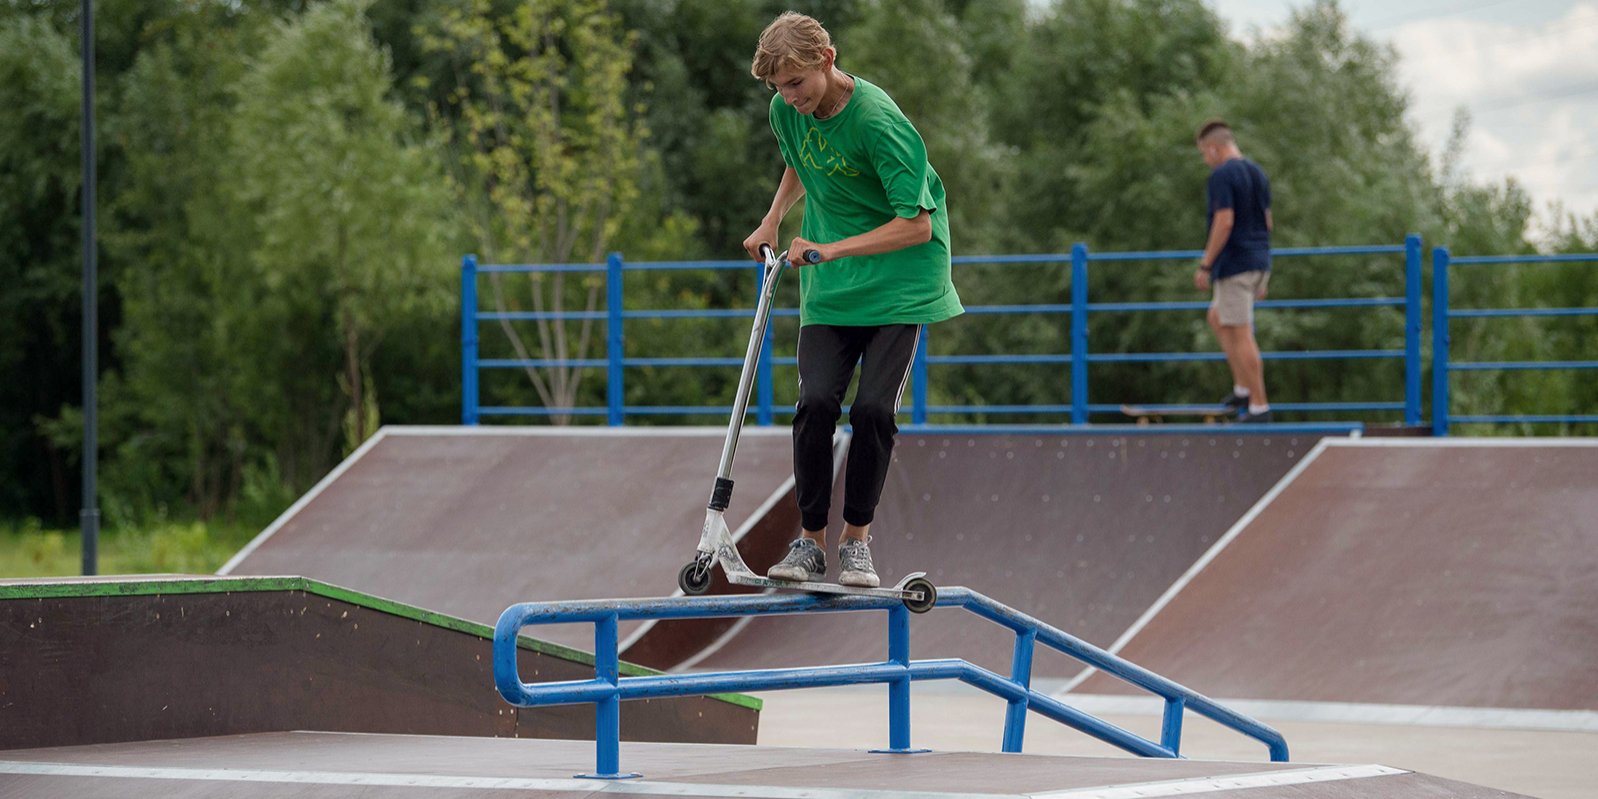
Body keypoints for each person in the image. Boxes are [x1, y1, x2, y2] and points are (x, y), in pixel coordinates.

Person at [742, 11, 962, 587]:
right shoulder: (787, 112)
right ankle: (810, 543)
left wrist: (833, 249)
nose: (789, 98)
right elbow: (801, 157)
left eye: (797, 84)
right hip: (832, 287)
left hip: (900, 283)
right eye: (779, 89)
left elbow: (916, 224)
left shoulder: (880, 122)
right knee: (815, 404)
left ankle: (856, 541)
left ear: (828, 61)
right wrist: (772, 220)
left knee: (871, 411)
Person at [1193, 119, 1273, 423]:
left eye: (1204, 153)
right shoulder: (1257, 173)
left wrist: (1206, 263)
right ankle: (1242, 387)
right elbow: (1267, 222)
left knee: (1241, 334)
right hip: (1256, 261)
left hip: (1236, 264)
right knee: (1217, 317)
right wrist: (1263, 268)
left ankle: (1259, 407)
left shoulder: (1222, 176)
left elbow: (1224, 221)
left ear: (1214, 148)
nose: (1205, 160)